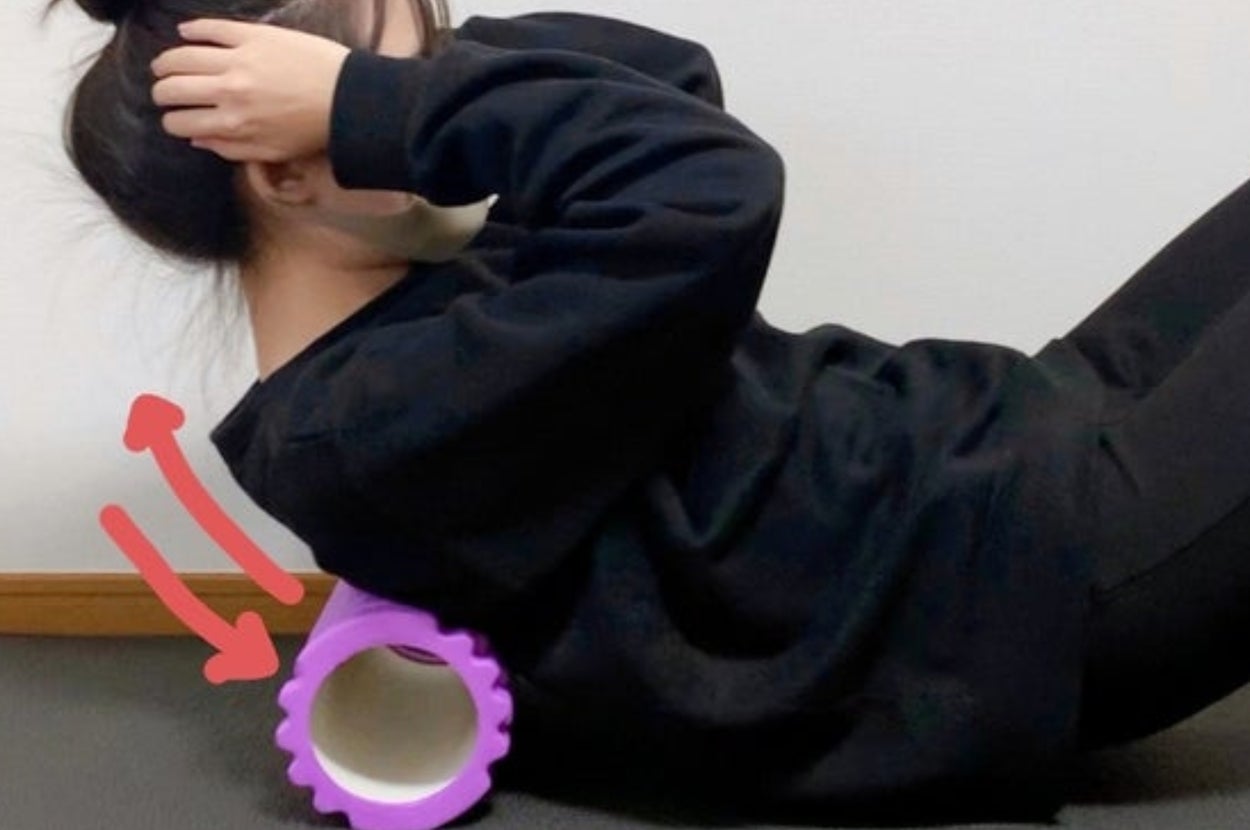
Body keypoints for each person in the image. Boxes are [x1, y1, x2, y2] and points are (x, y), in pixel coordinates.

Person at [48, 0, 1250, 823]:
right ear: (286, 168)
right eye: (407, 78)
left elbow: (673, 84)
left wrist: (392, 84)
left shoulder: (429, 293)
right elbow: (714, 181)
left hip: (1016, 429)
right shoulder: (381, 426)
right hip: (1051, 576)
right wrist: (387, 102)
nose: (438, 85)